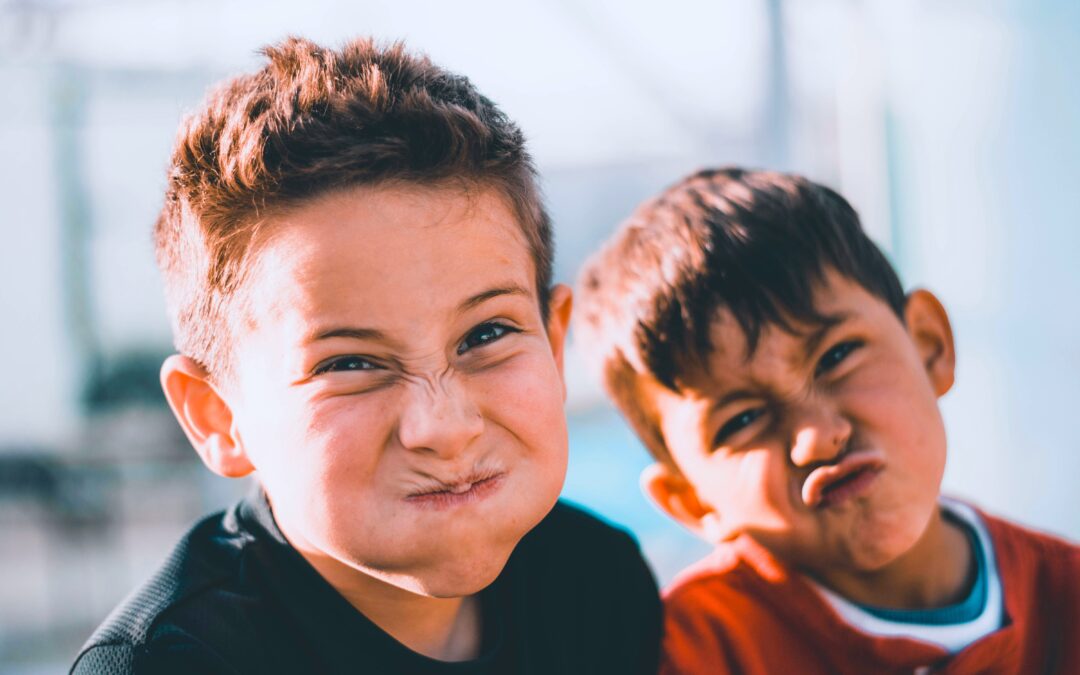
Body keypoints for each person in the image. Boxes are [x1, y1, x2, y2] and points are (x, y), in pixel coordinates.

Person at [70, 36, 660, 675]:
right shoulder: (171, 663)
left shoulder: (599, 585)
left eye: (485, 335)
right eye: (350, 364)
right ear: (217, 417)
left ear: (553, 340)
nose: (445, 428)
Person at [574, 167, 1080, 674]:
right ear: (691, 500)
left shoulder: (1065, 595)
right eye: (743, 419)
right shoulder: (690, 655)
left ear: (929, 346)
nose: (816, 439)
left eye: (837, 357)